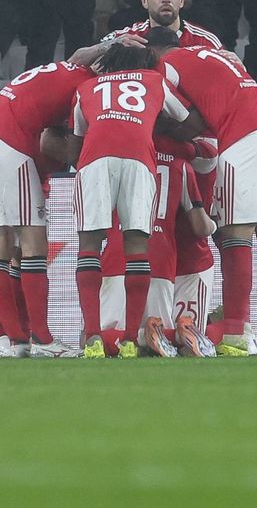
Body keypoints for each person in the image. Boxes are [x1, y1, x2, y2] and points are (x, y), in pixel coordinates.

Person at [150, 27, 257, 356]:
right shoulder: (217, 55)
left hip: (243, 139)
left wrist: (163, 131)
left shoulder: (165, 67)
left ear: (153, 52)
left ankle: (234, 331)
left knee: (235, 238)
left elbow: (188, 122)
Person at [0, 50, 106, 359]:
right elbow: (53, 144)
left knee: (0, 244)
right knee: (33, 245)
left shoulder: (64, 70)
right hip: (9, 145)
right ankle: (41, 339)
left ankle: (6, 340)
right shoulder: (86, 89)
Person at [69, 41, 199, 359]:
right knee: (137, 247)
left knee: (89, 245)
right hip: (140, 158)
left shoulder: (87, 86)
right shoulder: (154, 80)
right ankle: (130, 339)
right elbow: (188, 120)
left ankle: (92, 338)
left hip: (95, 159)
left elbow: (75, 141)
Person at [105, 0, 222, 48]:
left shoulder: (205, 41)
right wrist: (107, 47)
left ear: (181, 0)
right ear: (144, 1)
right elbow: (86, 61)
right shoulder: (126, 38)